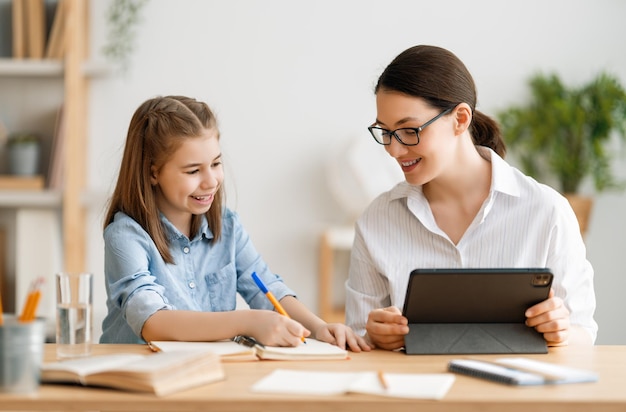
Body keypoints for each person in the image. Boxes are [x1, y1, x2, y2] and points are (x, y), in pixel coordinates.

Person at [345, 45, 597, 350]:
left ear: (460, 119)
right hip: (416, 394)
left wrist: (563, 333)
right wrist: (373, 336)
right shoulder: (378, 220)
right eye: (385, 132)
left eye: (409, 130)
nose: (394, 150)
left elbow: (583, 331)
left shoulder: (547, 211)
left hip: (515, 395)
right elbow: (357, 337)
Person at [100, 95, 370, 352]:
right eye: (193, 170)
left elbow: (266, 288)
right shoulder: (126, 235)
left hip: (206, 376)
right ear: (152, 172)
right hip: (139, 384)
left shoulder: (227, 226)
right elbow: (152, 322)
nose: (211, 181)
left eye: (215, 164)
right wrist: (248, 322)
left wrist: (319, 328)